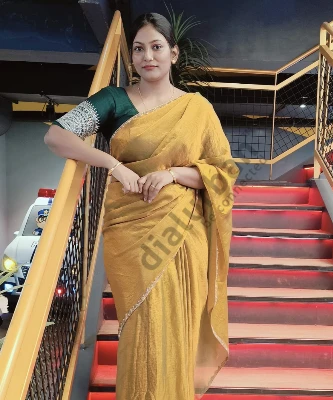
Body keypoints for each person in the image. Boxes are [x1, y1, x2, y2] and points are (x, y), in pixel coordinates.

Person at [44, 12, 239, 400]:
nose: (148, 56)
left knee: (178, 330)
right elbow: (56, 136)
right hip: (131, 233)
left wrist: (172, 175)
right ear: (131, 56)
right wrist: (113, 165)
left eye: (156, 47)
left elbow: (223, 173)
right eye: (138, 49)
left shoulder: (197, 109)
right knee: (143, 329)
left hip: (184, 233)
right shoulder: (114, 100)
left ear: (173, 53)